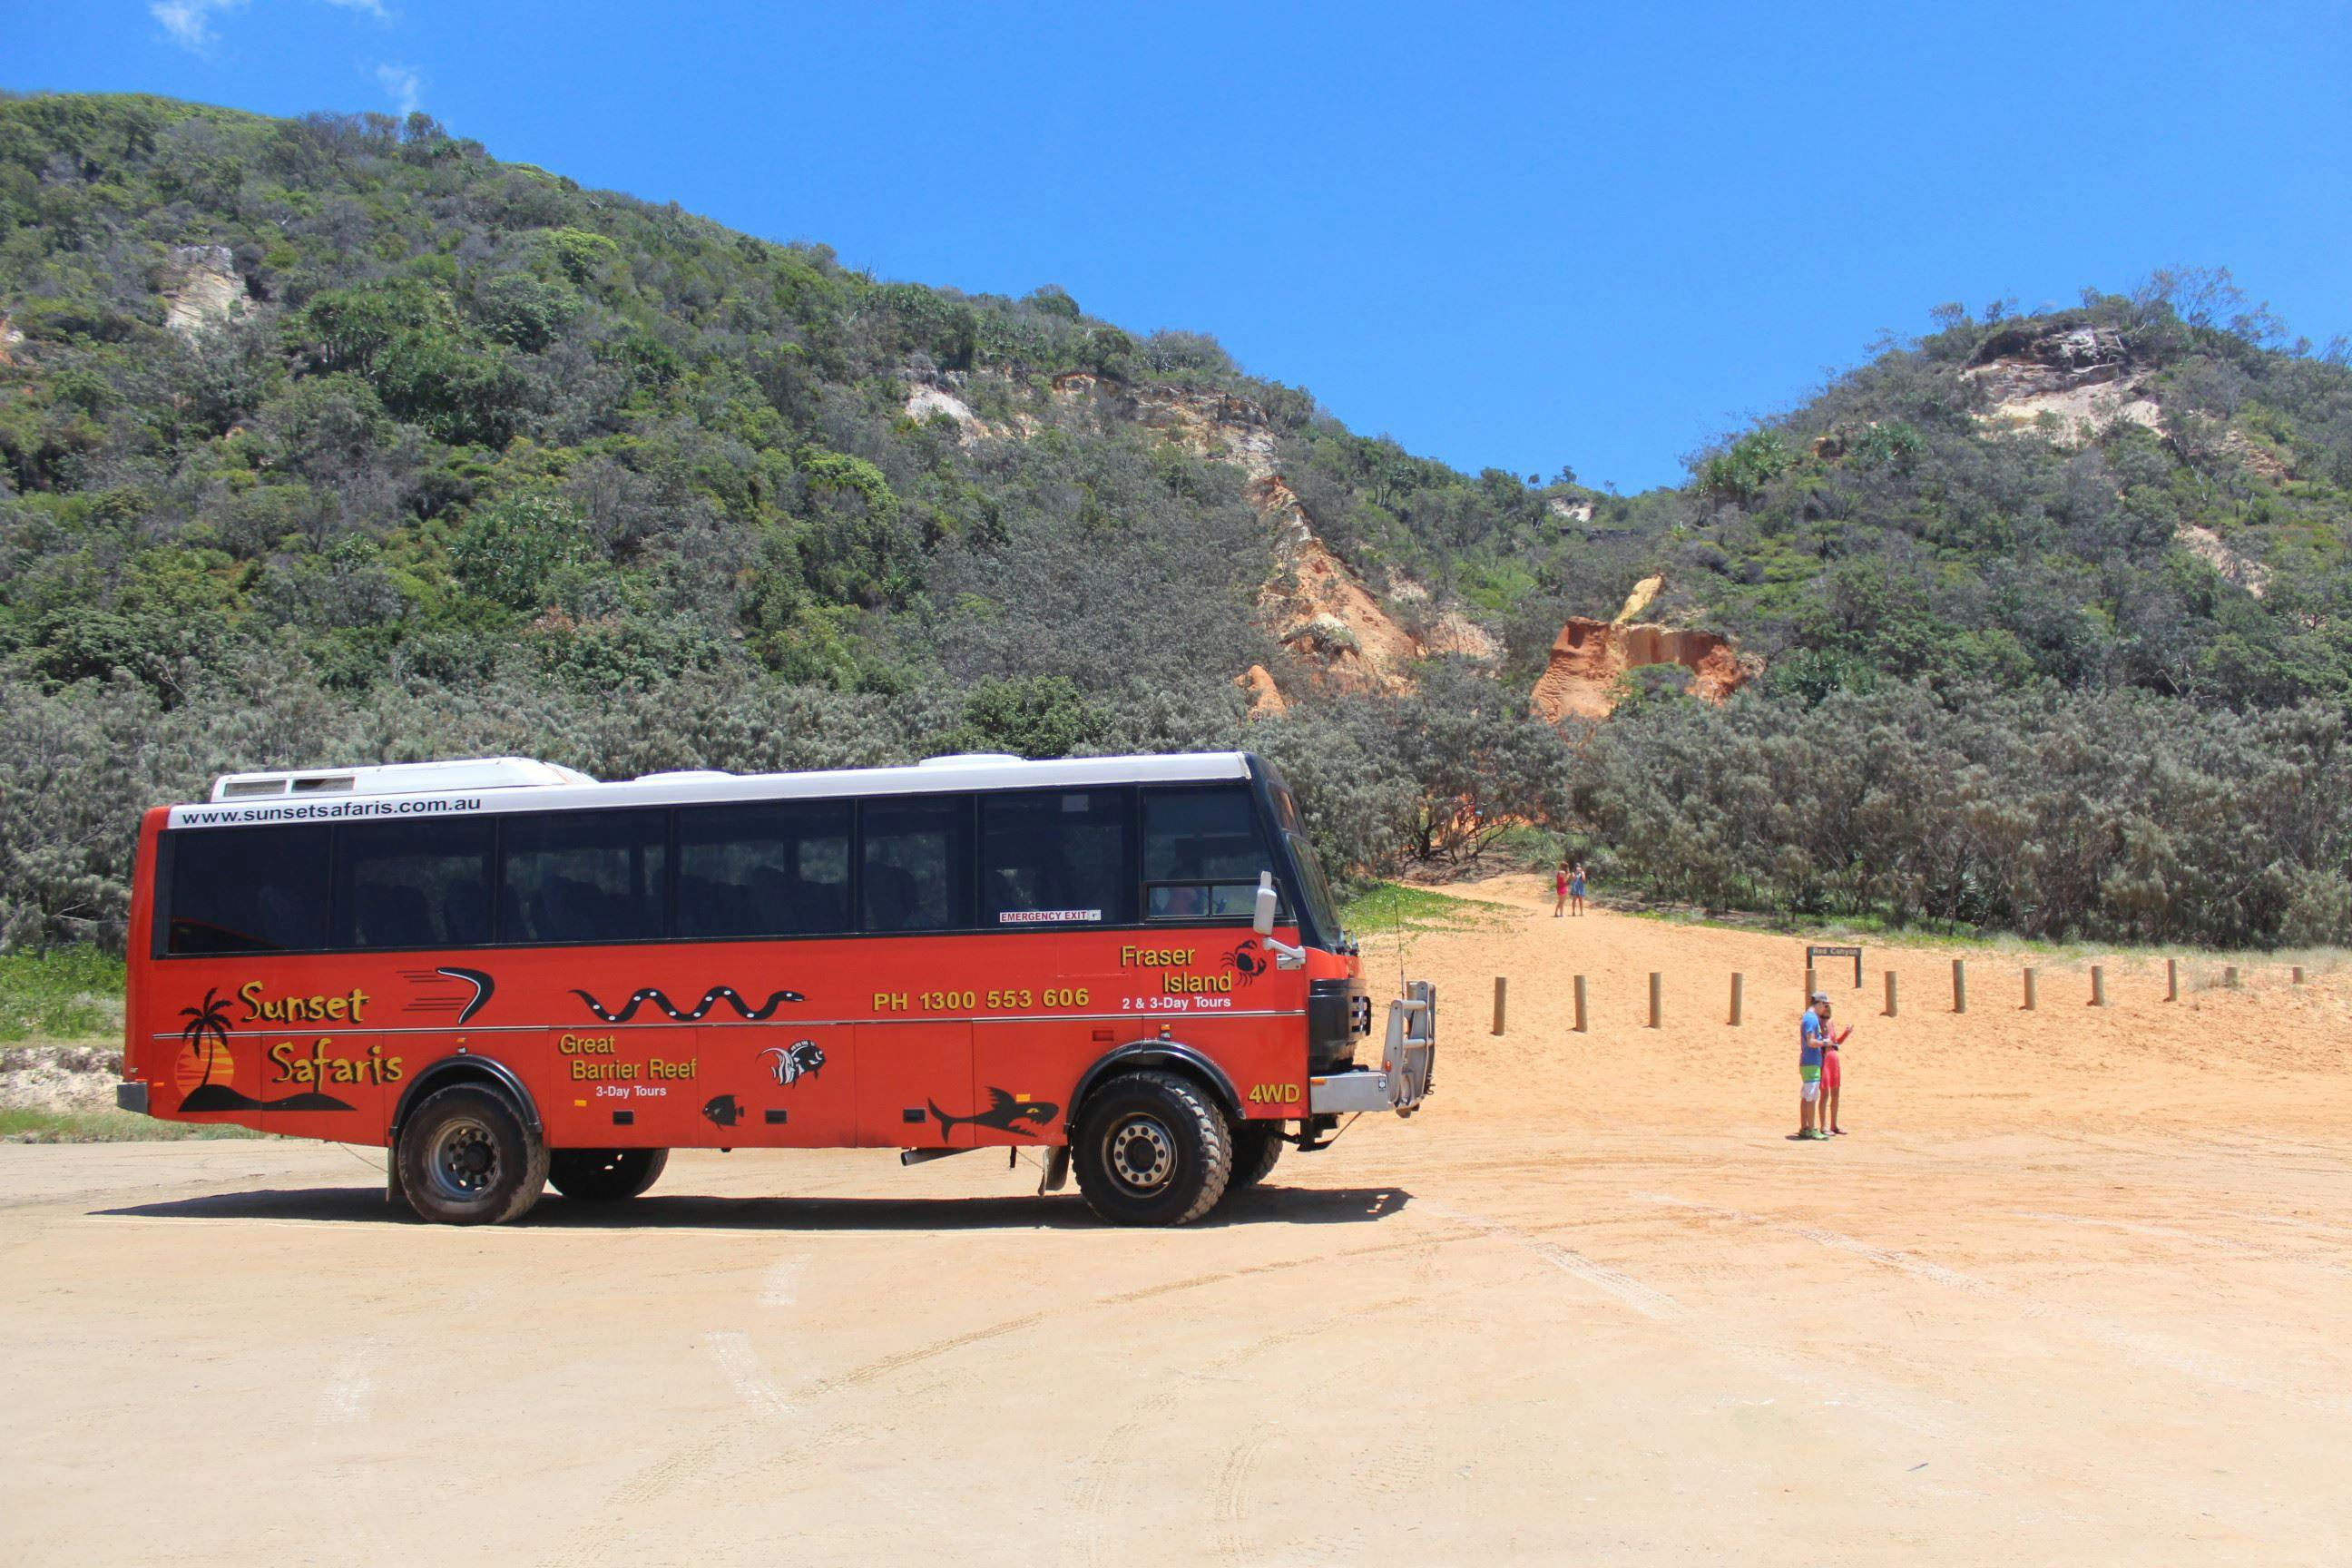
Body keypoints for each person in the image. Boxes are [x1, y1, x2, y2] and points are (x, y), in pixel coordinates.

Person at [1795, 991, 1833, 1141]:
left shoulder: (1807, 1017)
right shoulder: (1811, 1019)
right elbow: (1811, 1041)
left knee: (1806, 1096)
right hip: (1811, 1062)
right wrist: (1826, 1043)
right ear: (1819, 1004)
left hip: (1807, 1062)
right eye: (1825, 1005)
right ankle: (1811, 1128)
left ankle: (1805, 1126)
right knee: (1811, 1097)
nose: (1825, 1009)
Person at [1821, 1014, 1851, 1135]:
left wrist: (1846, 1034)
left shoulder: (1830, 1023)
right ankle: (1824, 1126)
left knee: (1835, 1093)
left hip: (1834, 1060)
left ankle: (1834, 1125)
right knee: (1825, 1093)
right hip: (1824, 1059)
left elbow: (1836, 1043)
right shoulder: (1818, 1023)